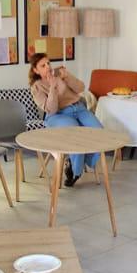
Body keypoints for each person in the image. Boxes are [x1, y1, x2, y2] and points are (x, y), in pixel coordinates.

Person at [27, 52, 103, 186]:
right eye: (43, 65)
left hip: (78, 108)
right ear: (35, 70)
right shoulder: (36, 87)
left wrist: (67, 77)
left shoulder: (59, 73)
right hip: (57, 115)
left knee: (100, 132)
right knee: (76, 133)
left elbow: (81, 88)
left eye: (48, 63)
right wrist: (52, 87)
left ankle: (81, 160)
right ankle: (76, 171)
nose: (48, 67)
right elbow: (51, 109)